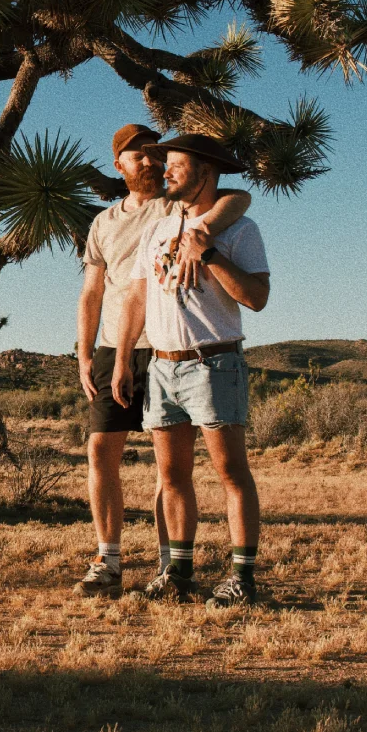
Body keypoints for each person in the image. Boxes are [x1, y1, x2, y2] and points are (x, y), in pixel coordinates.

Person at [73, 124, 251, 596]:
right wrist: (85, 351)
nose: (151, 164)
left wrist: (205, 230)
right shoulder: (104, 222)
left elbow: (239, 197)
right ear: (119, 165)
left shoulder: (178, 204)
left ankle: (170, 563)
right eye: (139, 157)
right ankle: (108, 560)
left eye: (157, 156)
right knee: (100, 450)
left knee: (168, 467)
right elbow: (94, 290)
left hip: (172, 345)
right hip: (118, 345)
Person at [112, 133, 270, 608]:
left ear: (206, 171)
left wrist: (211, 254)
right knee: (172, 475)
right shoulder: (157, 230)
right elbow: (138, 296)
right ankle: (178, 573)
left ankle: (242, 578)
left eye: (177, 164)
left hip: (213, 361)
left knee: (231, 471)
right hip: (162, 365)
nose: (166, 171)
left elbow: (257, 298)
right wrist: (124, 357)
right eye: (167, 165)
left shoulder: (241, 231)